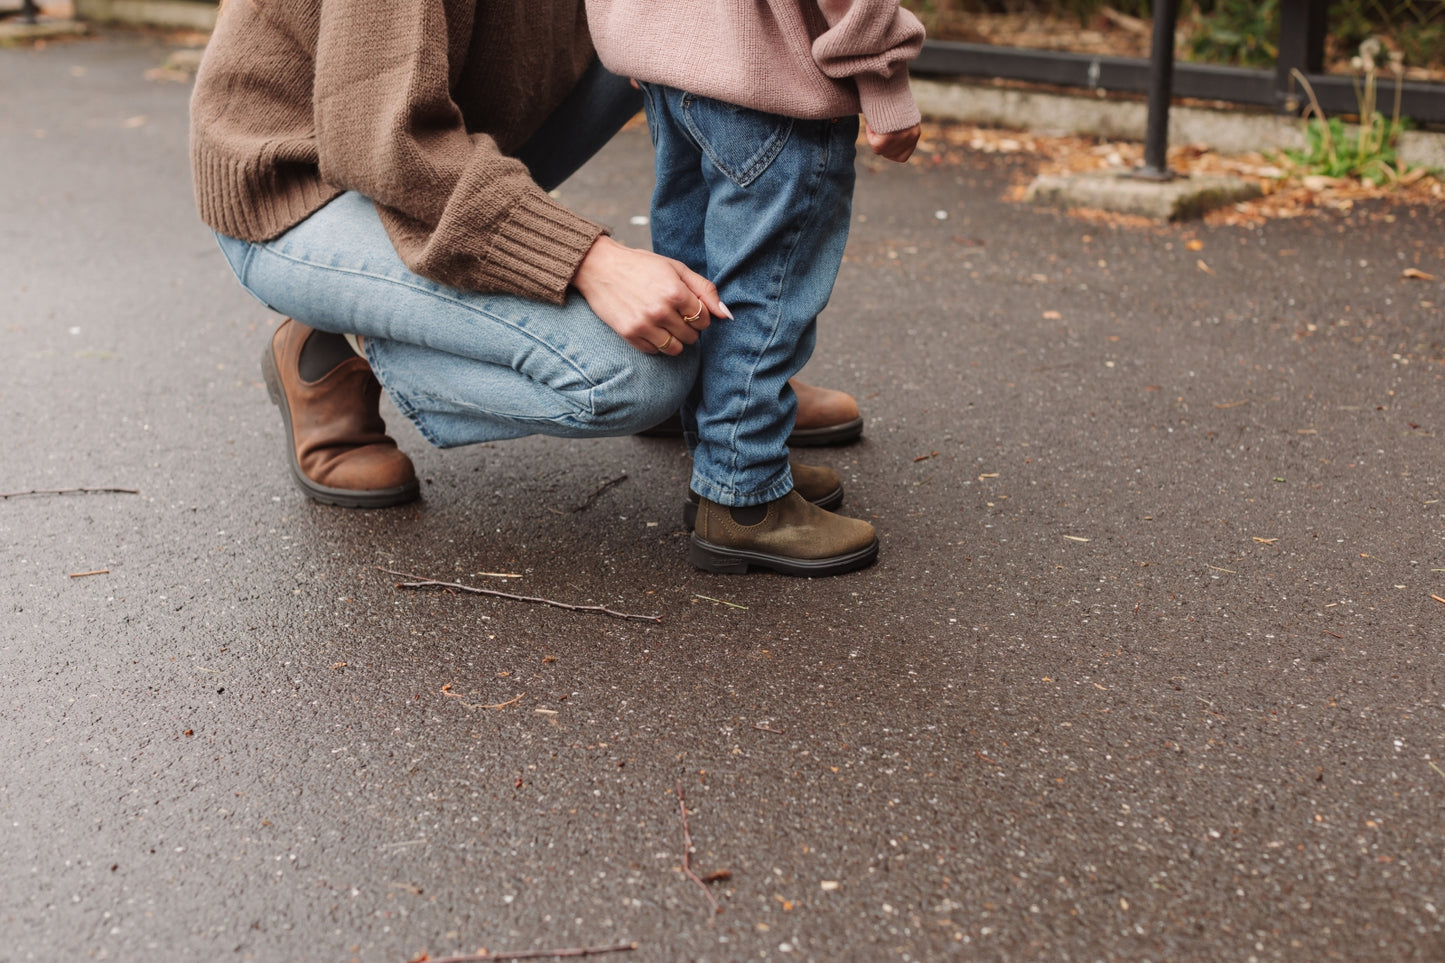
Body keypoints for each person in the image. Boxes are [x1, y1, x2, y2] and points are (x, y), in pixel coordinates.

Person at [188, 0, 867, 519]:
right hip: (307, 184)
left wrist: (741, 373)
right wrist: (588, 261)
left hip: (454, 134)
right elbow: (383, 144)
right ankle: (334, 343)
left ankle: (724, 384)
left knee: (667, 22)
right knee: (634, 377)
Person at [585, 0, 924, 575]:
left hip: (672, 72)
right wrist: (882, 76)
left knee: (700, 279)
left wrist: (639, 31)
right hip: (769, 77)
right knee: (764, 292)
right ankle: (745, 496)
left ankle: (721, 466)